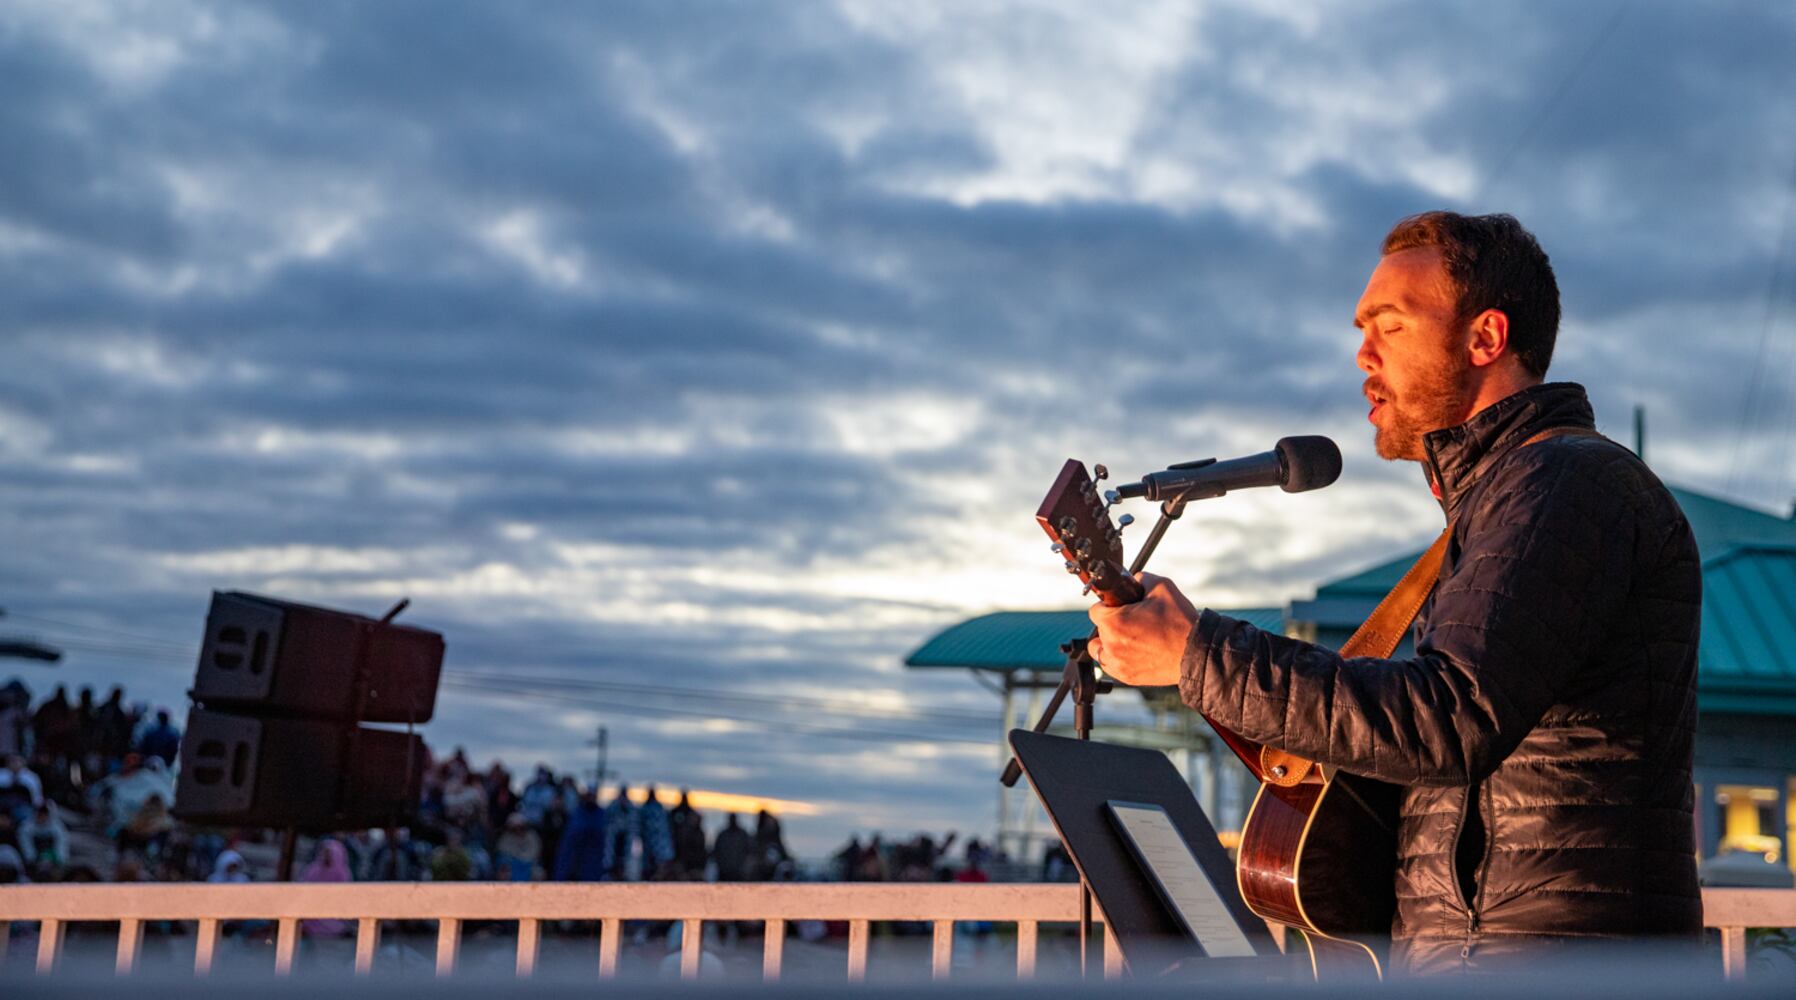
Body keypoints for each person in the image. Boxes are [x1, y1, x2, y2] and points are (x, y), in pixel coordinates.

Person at [1088, 212, 1702, 974]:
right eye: (1360, 327)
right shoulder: (1503, 501)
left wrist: (1199, 653)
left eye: (1390, 324)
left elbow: (1449, 719)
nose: (1362, 353)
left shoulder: (1564, 485)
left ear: (1485, 338)